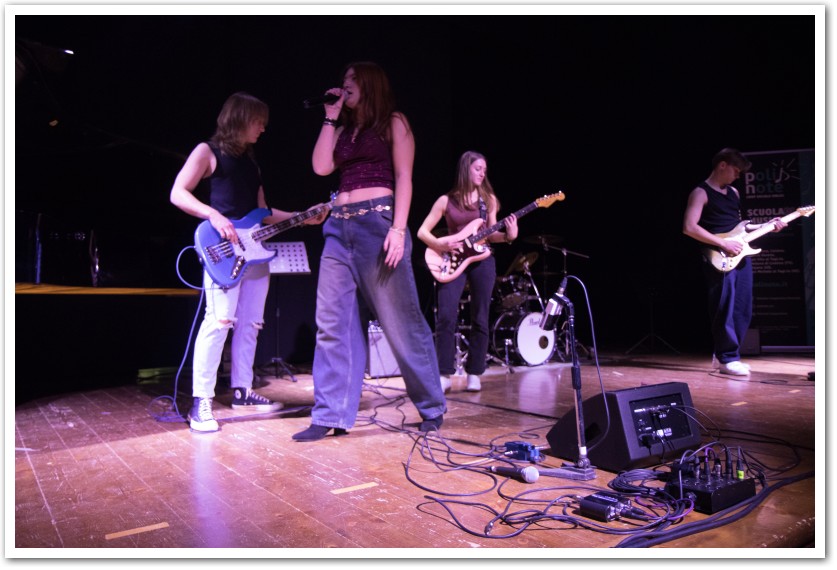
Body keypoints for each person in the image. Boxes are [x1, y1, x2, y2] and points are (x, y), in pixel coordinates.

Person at [292, 62, 447, 442]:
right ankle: (330, 413)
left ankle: (431, 406)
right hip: (337, 229)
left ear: (370, 85)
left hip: (377, 226)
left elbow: (405, 177)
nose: (344, 86)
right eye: (343, 81)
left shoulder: (394, 122)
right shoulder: (343, 129)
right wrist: (329, 117)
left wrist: (398, 229)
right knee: (333, 324)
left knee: (401, 322)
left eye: (352, 80)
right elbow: (320, 167)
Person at [170, 91, 326, 432]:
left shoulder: (251, 163)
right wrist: (213, 215)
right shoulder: (207, 151)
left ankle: (242, 389)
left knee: (251, 323)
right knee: (219, 321)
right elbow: (178, 192)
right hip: (222, 250)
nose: (263, 128)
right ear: (240, 118)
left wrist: (302, 216)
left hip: (254, 252)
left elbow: (262, 212)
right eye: (258, 121)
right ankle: (201, 402)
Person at [417, 151, 518, 392]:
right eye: (478, 169)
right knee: (446, 316)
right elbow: (422, 232)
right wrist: (440, 244)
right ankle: (444, 373)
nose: (482, 173)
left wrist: (508, 236)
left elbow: (491, 233)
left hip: (482, 259)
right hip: (453, 259)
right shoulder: (446, 201)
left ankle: (474, 372)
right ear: (466, 169)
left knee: (480, 317)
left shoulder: (488, 200)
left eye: (484, 170)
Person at [682, 148, 786, 376]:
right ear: (722, 165)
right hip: (719, 256)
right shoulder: (700, 193)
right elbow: (689, 227)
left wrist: (766, 225)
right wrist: (723, 244)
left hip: (740, 254)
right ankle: (727, 357)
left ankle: (729, 355)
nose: (738, 176)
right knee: (724, 306)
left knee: (742, 306)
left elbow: (739, 227)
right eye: (736, 170)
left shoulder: (734, 193)